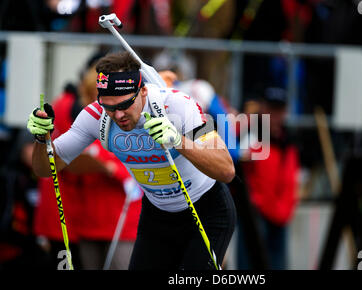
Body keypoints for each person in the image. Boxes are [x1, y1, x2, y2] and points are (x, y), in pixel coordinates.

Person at [27, 51, 236, 270]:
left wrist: (177, 140)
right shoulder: (95, 117)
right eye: (109, 106)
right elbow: (45, 169)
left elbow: (226, 170)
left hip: (206, 208)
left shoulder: (178, 105)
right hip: (158, 213)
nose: (118, 115)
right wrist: (42, 139)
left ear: (143, 91)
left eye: (124, 104)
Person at [33, 53, 142, 270]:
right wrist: (40, 138)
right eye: (103, 100)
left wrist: (115, 170)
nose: (113, 110)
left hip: (122, 217)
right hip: (85, 216)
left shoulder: (138, 115)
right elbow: (48, 162)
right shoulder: (84, 115)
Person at [238, 87, 300, 270]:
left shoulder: (289, 141)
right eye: (271, 109)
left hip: (281, 216)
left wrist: (285, 208)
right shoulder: (249, 135)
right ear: (262, 108)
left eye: (279, 110)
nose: (275, 115)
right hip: (256, 215)